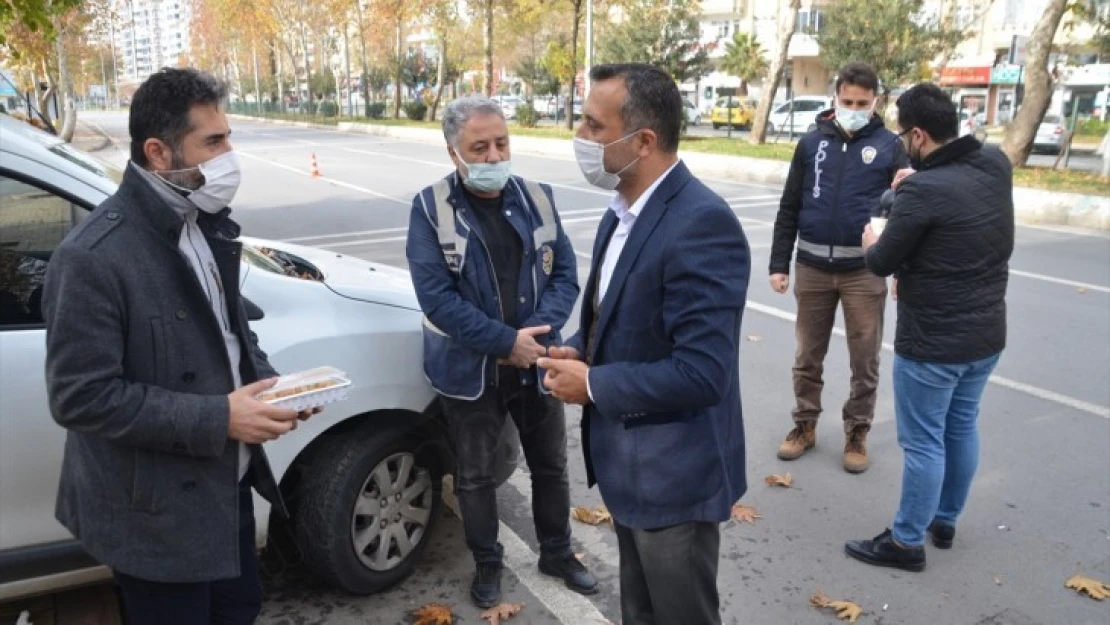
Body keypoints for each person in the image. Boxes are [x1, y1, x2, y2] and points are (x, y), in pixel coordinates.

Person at [42, 67, 314, 624]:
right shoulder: (92, 257)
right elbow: (80, 398)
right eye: (213, 142)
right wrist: (220, 418)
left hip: (225, 485)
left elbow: (230, 331)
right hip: (156, 519)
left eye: (227, 136)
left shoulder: (201, 222)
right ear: (159, 154)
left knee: (239, 611)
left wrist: (272, 388)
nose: (229, 154)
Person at [540, 63, 749, 625]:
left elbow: (703, 374)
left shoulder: (701, 223)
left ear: (644, 141)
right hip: (629, 468)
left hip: (673, 479)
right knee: (641, 613)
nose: (579, 139)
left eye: (592, 126)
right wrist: (581, 349)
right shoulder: (624, 210)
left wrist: (594, 384)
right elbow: (617, 315)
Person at [405, 96, 596, 608]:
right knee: (475, 475)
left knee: (550, 465)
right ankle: (488, 563)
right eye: (480, 147)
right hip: (471, 370)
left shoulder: (538, 197)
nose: (493, 157)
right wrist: (502, 342)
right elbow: (437, 299)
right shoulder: (430, 209)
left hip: (535, 363)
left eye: (501, 143)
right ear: (454, 153)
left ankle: (557, 552)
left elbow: (564, 275)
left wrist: (533, 336)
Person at [844, 82, 1013, 572]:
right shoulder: (995, 162)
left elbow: (880, 261)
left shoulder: (923, 190)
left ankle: (905, 542)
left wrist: (872, 235)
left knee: (923, 441)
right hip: (986, 335)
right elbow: (960, 224)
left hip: (933, 343)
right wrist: (910, 184)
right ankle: (945, 519)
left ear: (918, 135)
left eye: (903, 136)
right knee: (961, 425)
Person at [768, 62, 908, 473]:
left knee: (865, 359)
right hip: (811, 267)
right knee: (807, 355)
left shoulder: (889, 147)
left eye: (861, 103)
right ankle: (804, 426)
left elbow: (905, 215)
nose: (853, 108)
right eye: (847, 101)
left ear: (875, 102)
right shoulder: (811, 144)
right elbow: (789, 206)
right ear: (835, 98)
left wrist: (900, 270)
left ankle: (856, 431)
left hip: (865, 271)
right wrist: (779, 263)